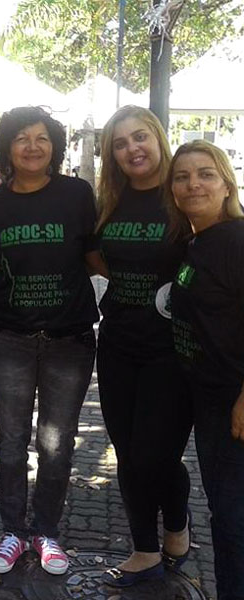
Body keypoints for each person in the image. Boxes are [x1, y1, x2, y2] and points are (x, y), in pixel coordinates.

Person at [0, 106, 101, 576]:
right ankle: (13, 531)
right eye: (22, 138)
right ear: (7, 147)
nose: (32, 146)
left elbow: (92, 256)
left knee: (57, 442)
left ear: (55, 146)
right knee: (10, 440)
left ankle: (46, 531)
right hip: (9, 337)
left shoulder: (77, 194)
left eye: (42, 137)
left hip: (70, 338)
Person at [95, 106, 192, 587]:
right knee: (128, 452)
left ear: (157, 139)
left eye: (140, 137)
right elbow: (96, 257)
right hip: (116, 344)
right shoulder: (108, 200)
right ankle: (145, 550)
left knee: (157, 454)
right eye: (120, 142)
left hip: (171, 350)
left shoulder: (182, 196)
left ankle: (176, 520)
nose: (132, 148)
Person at [166, 139, 244, 600]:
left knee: (234, 518)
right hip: (210, 400)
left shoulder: (235, 239)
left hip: (233, 402)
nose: (193, 183)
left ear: (226, 182)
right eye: (182, 176)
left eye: (205, 173)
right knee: (225, 512)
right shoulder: (198, 240)